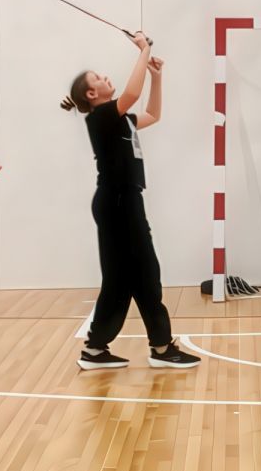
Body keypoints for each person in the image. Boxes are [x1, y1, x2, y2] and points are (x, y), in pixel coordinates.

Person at [61, 33, 199, 371]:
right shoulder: (101, 117)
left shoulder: (119, 118)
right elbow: (132, 95)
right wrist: (144, 49)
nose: (106, 77)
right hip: (118, 202)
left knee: (120, 280)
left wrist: (156, 76)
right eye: (99, 78)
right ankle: (161, 347)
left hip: (120, 202)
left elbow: (152, 112)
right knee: (146, 272)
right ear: (92, 94)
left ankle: (96, 349)